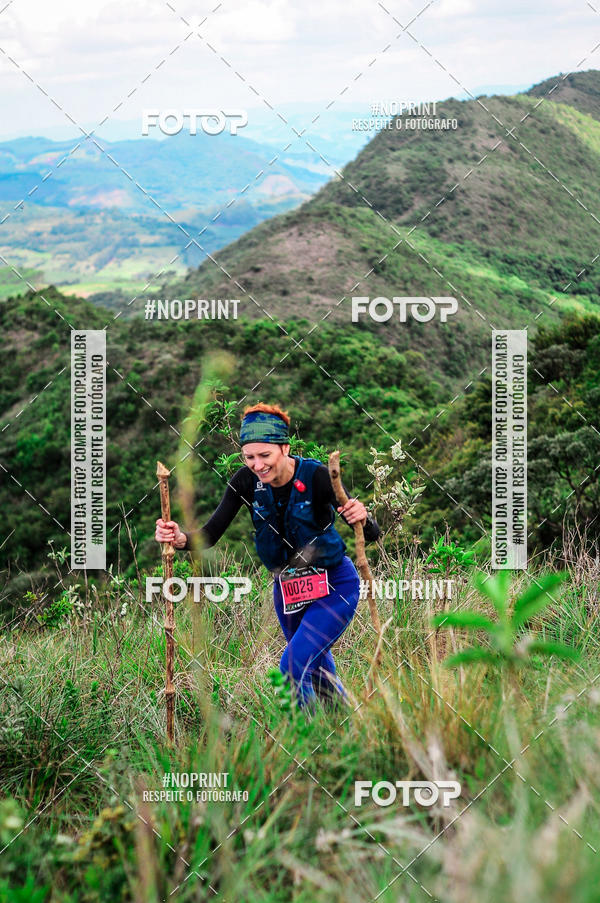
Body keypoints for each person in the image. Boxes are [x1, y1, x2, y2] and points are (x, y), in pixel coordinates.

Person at [155, 403, 381, 713]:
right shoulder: (245, 483)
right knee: (317, 673)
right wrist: (179, 538)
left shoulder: (316, 476)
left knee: (291, 669)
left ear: (285, 448)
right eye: (250, 457)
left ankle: (309, 746)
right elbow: (209, 534)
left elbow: (370, 534)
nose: (257, 465)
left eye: (265, 455)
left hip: (335, 585)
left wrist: (363, 518)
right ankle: (349, 731)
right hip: (287, 593)